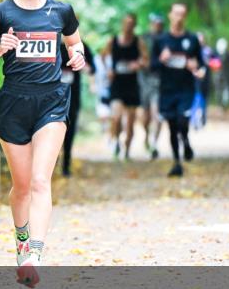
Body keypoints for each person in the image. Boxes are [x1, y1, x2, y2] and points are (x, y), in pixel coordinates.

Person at [0, 0, 86, 287]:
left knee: (40, 181)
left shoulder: (61, 12)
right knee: (21, 187)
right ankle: (21, 243)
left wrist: (77, 55)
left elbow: (75, 43)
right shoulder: (0, 13)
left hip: (51, 103)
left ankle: (35, 254)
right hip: (13, 106)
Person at [151, 3, 206, 177]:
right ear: (170, 15)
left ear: (185, 16)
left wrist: (198, 69)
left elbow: (202, 64)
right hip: (167, 90)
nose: (179, 17)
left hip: (186, 89)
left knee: (183, 120)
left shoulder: (192, 39)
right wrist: (162, 59)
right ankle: (177, 162)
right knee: (172, 125)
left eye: (182, 14)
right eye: (176, 13)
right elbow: (152, 66)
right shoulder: (161, 41)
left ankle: (186, 141)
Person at [103, 13, 147, 160]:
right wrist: (108, 69)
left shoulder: (138, 42)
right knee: (116, 116)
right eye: (126, 23)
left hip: (132, 85)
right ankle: (116, 142)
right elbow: (103, 56)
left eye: (131, 23)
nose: (128, 26)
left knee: (130, 121)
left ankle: (127, 151)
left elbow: (146, 60)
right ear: (122, 24)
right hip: (117, 84)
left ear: (134, 25)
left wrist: (139, 64)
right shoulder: (113, 41)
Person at [59, 41, 95, 176]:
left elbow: (92, 70)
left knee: (69, 130)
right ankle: (50, 163)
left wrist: (83, 66)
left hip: (72, 97)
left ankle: (66, 166)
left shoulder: (82, 47)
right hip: (50, 97)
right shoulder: (51, 43)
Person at [138, 13, 164, 159]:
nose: (158, 26)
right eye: (156, 23)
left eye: (160, 23)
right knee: (145, 115)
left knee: (157, 112)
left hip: (159, 80)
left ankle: (155, 143)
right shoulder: (143, 38)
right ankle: (147, 135)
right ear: (151, 23)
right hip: (143, 80)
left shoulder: (165, 39)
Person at [214, 37, 229, 109]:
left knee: (224, 90)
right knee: (220, 90)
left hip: (223, 75)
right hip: (220, 75)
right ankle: (221, 104)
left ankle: (223, 104)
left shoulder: (226, 54)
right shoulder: (216, 54)